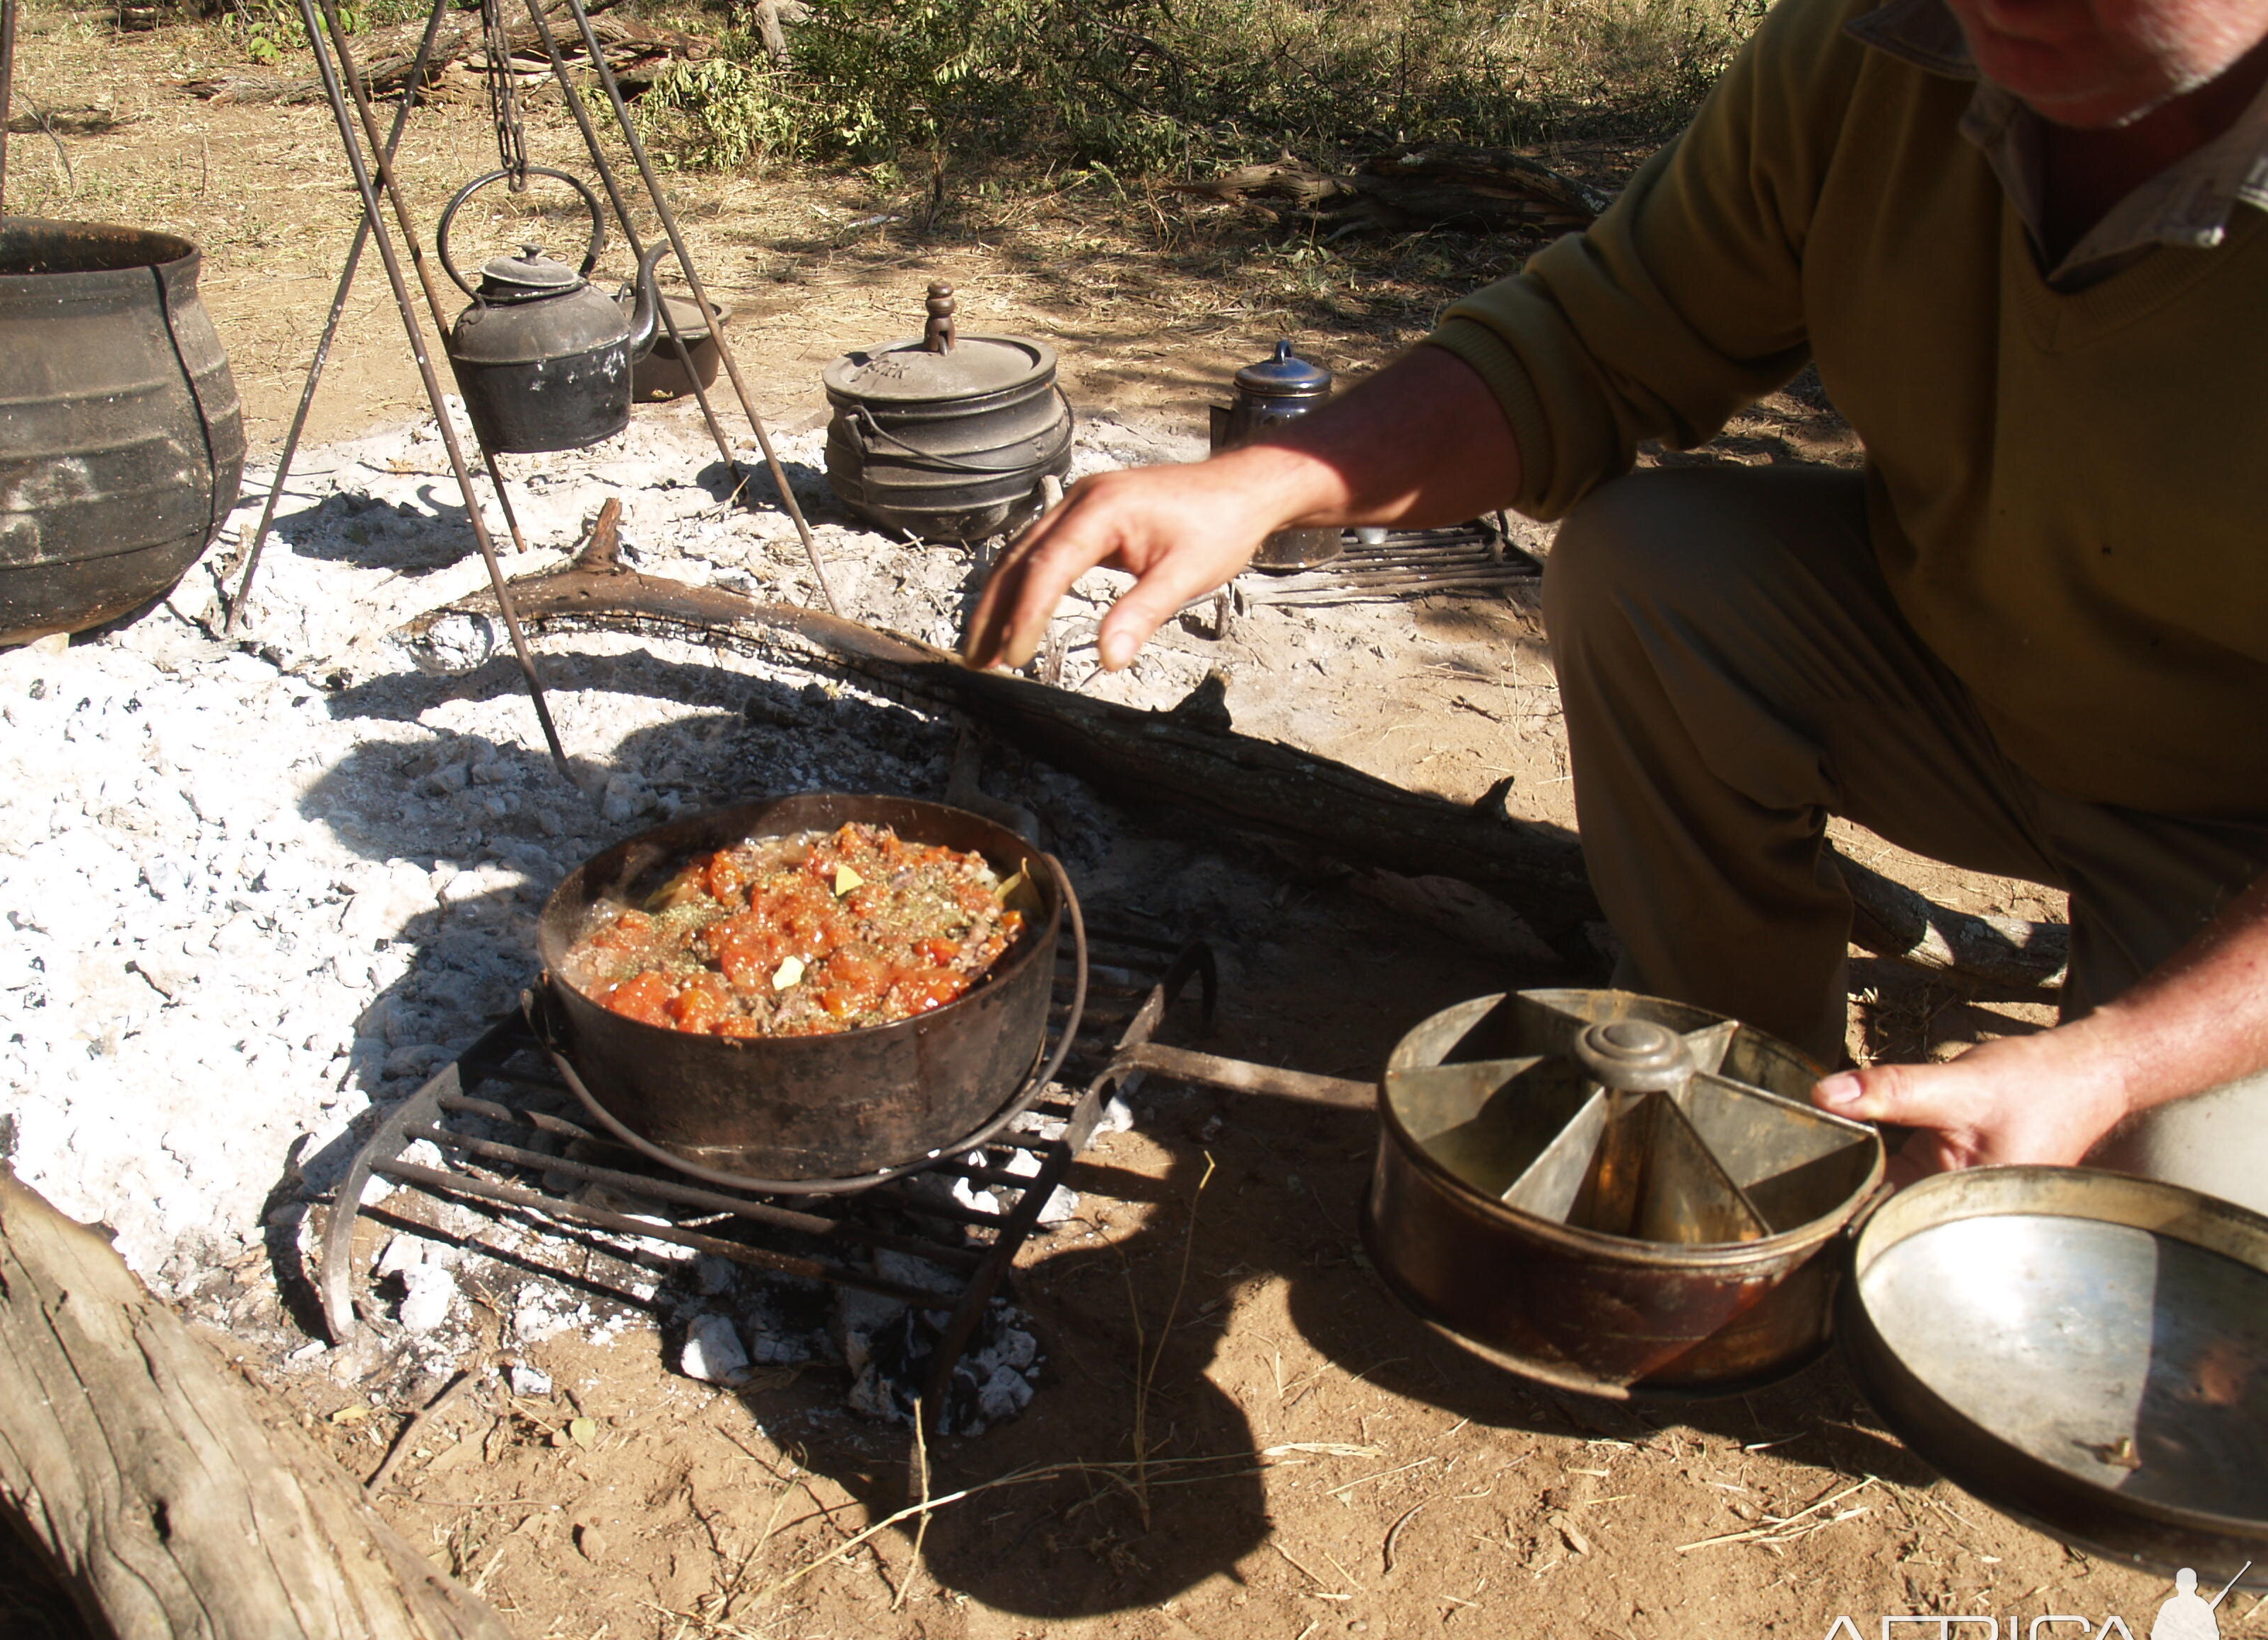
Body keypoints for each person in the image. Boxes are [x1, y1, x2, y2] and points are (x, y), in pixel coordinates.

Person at [959, 0, 2268, 1208]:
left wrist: (2111, 1062)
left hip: (2230, 838)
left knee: (2165, 1280)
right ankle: (1748, 1108)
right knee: (1649, 562)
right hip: (1968, 685)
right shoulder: (1887, 45)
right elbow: (1602, 336)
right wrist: (1274, 477)